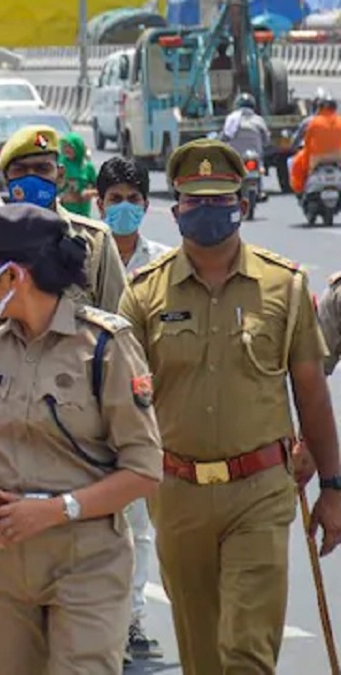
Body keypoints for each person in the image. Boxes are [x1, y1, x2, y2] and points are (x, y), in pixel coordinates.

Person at [119, 139, 341, 675]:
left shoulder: (283, 286)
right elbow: (121, 403)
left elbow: (311, 391)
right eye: (194, 201)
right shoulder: (143, 295)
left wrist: (332, 488)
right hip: (177, 495)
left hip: (259, 494)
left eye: (220, 200)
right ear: (175, 212)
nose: (207, 211)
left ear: (241, 207)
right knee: (203, 662)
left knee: (246, 656)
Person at [0, 203, 163, 674]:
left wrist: (55, 509)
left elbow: (144, 470)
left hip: (84, 558)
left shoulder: (104, 346)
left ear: (16, 274)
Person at [0, 126, 128, 436]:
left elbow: (121, 345)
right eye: (21, 170)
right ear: (6, 180)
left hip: (76, 428)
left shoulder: (94, 243)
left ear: (60, 175)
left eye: (42, 169)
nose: (32, 178)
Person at [92, 155, 168, 663]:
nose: (123, 208)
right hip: (91, 416)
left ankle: (133, 619)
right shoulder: (80, 256)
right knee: (100, 525)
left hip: (146, 415)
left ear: (146, 206)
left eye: (132, 201)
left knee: (140, 525)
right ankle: (99, 624)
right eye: (114, 200)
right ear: (99, 204)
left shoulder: (164, 264)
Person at [291, 92, 341, 193]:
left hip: (318, 159)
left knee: (296, 162)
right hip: (338, 158)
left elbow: (307, 142)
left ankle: (300, 190)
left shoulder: (313, 122)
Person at [58, 132, 97, 217]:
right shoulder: (59, 164)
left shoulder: (87, 166)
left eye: (70, 146)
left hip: (83, 211)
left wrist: (89, 193)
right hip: (63, 212)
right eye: (65, 146)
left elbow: (100, 188)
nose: (66, 149)